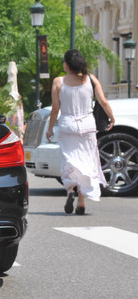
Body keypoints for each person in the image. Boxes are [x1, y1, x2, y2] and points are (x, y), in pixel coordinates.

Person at [46, 49, 115, 215]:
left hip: (68, 125)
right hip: (87, 126)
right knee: (86, 160)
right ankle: (81, 203)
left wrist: (50, 129)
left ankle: (70, 192)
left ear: (67, 64)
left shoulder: (58, 82)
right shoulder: (91, 79)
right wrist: (112, 118)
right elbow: (103, 101)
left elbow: (55, 109)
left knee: (68, 160)